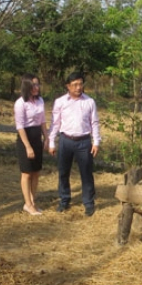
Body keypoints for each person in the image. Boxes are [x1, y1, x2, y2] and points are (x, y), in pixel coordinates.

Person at [48, 72, 101, 216]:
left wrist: (96, 142)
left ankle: (89, 203)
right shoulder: (60, 102)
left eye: (80, 84)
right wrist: (51, 142)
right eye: (75, 85)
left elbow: (94, 123)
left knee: (86, 173)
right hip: (66, 140)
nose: (78, 87)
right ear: (68, 86)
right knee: (63, 172)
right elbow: (55, 123)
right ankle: (64, 200)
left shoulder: (89, 102)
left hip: (84, 141)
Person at [14, 73, 49, 216]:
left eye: (38, 84)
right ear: (26, 86)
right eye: (33, 85)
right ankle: (27, 204)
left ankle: (33, 201)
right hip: (25, 139)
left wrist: (46, 138)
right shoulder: (20, 103)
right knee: (27, 173)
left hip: (37, 138)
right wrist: (27, 146)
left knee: (36, 172)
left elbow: (42, 121)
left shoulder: (40, 101)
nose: (36, 87)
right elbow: (20, 126)